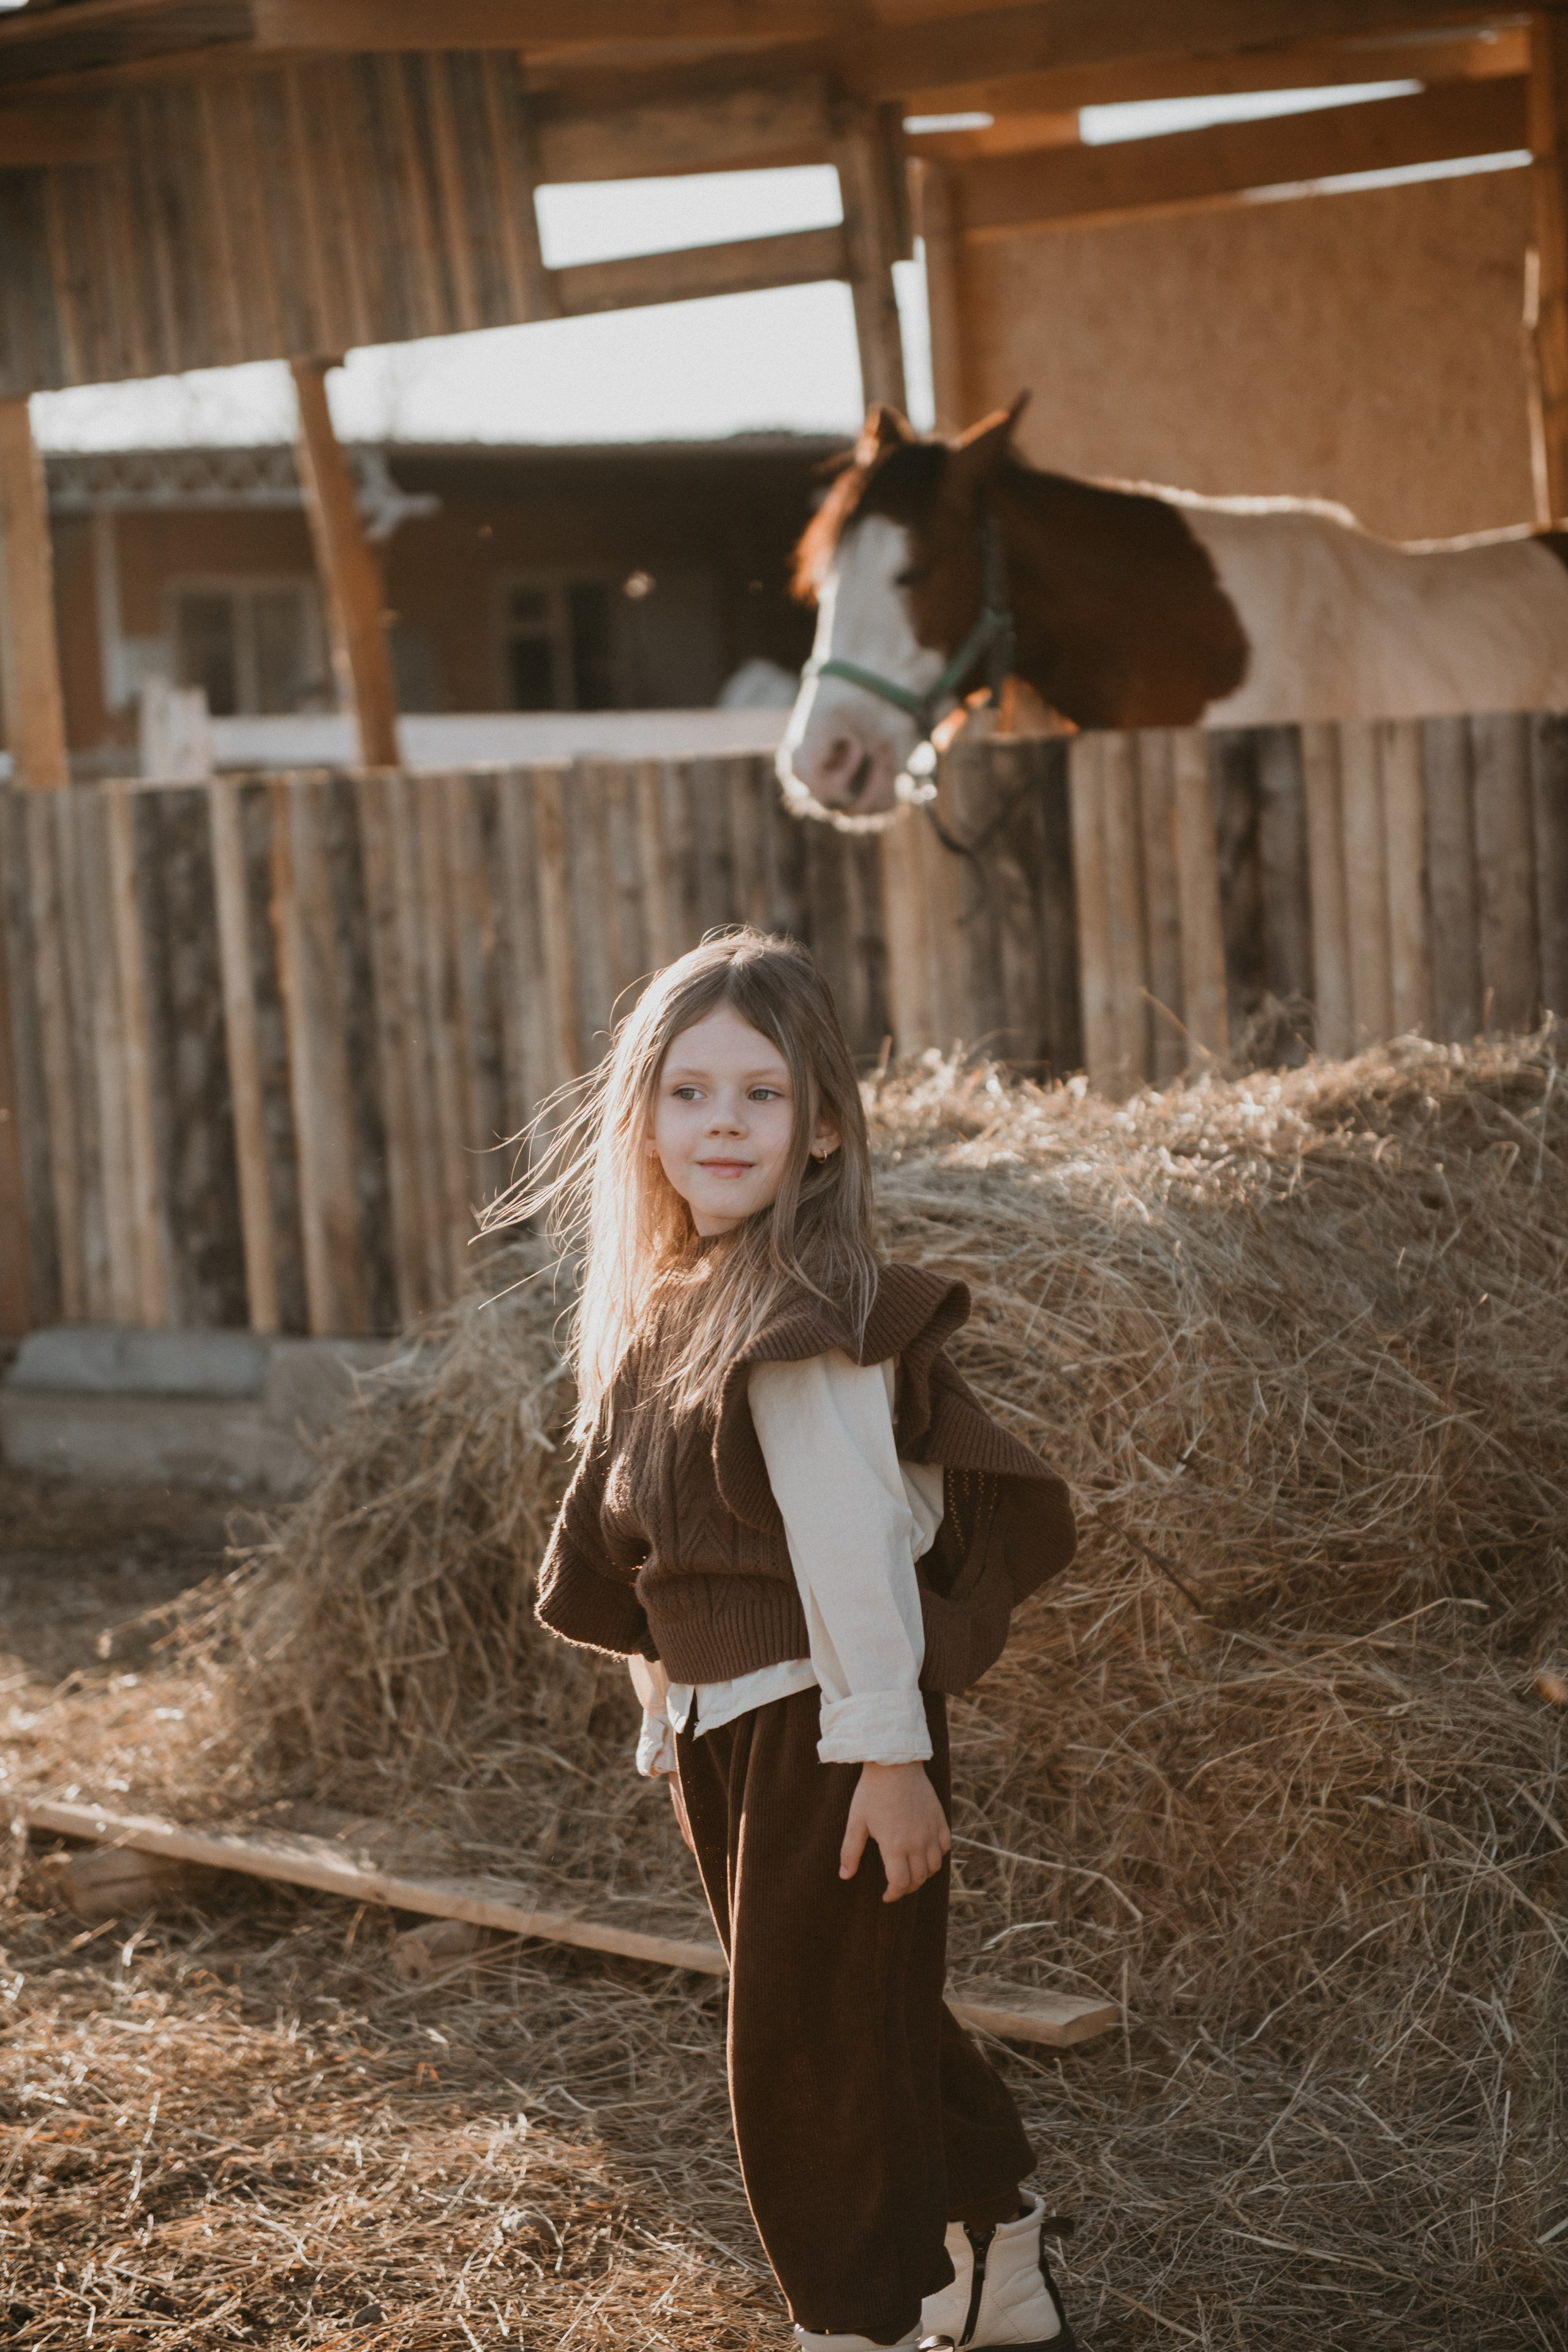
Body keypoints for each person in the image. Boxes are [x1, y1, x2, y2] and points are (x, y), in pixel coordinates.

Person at [508, 929, 1079, 2351]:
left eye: (758, 1095)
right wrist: (669, 1710)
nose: (721, 1124)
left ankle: (861, 2319)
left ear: (821, 1122)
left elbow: (849, 1550)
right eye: (689, 1091)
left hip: (830, 1722)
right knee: (860, 2010)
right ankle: (995, 2246)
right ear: (641, 1117)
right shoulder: (669, 1302)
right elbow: (655, 1549)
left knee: (798, 2055)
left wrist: (887, 1756)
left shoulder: (807, 1312)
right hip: (740, 1728)